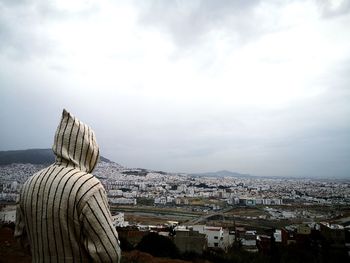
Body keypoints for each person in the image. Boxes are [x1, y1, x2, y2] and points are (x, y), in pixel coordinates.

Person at [15, 109, 121, 262]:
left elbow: (21, 239)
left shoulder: (28, 184)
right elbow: (109, 254)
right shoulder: (88, 186)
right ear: (89, 149)